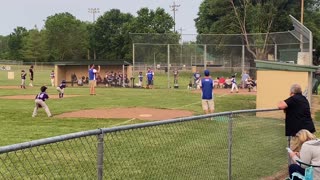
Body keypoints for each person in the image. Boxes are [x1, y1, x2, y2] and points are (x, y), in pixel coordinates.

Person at [277, 84, 316, 151]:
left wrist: (281, 101)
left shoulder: (293, 99)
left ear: (292, 93)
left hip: (299, 132)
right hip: (309, 130)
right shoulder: (304, 99)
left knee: (296, 152)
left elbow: (281, 106)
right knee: (308, 151)